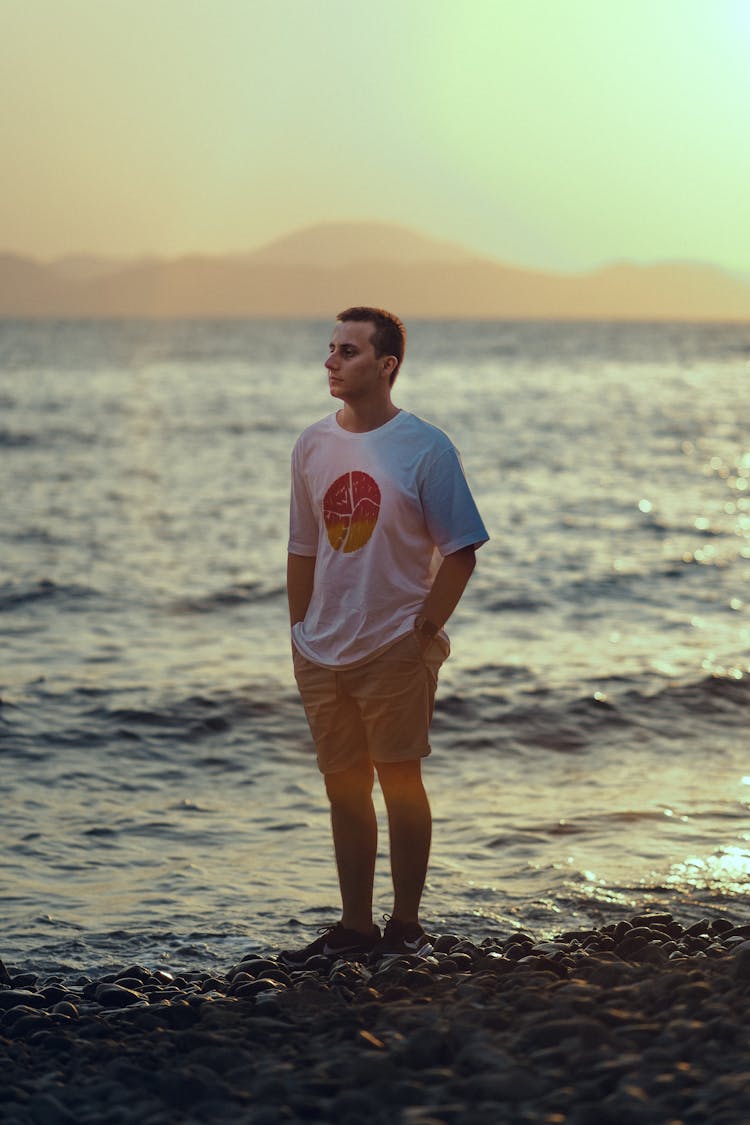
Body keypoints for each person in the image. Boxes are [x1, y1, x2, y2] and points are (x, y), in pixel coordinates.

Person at [281, 307, 488, 965]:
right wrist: (299, 632)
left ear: (386, 365)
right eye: (331, 347)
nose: (331, 361)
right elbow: (302, 550)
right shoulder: (312, 445)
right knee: (343, 785)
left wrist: (422, 632)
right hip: (322, 649)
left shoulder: (426, 447)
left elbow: (461, 551)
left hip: (395, 643)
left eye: (349, 350)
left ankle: (405, 923)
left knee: (401, 781)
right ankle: (354, 925)